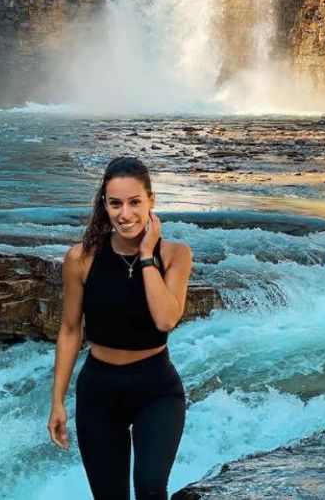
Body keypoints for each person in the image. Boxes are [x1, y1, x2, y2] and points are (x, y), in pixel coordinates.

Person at [47, 156, 194, 500]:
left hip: (156, 389)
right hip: (99, 391)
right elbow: (70, 330)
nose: (124, 214)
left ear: (151, 202)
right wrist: (57, 401)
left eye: (134, 202)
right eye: (115, 204)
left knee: (150, 487)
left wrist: (145, 257)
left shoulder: (175, 255)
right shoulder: (80, 259)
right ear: (104, 205)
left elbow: (165, 319)